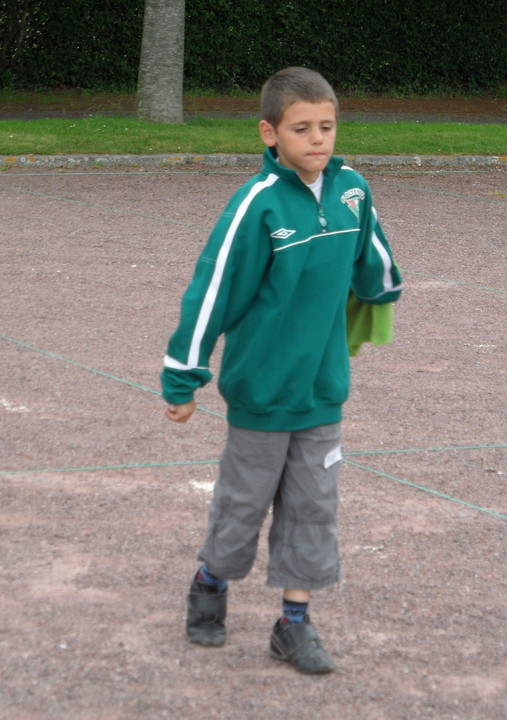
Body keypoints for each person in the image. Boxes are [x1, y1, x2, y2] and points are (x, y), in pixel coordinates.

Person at [161, 67, 402, 674]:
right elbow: (212, 291)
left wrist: (382, 290)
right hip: (262, 396)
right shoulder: (256, 206)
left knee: (313, 508)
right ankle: (210, 581)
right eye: (302, 128)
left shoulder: (352, 191)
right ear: (270, 133)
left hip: (322, 394)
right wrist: (183, 376)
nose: (318, 139)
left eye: (327, 126)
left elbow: (373, 262)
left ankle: (294, 624)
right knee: (243, 506)